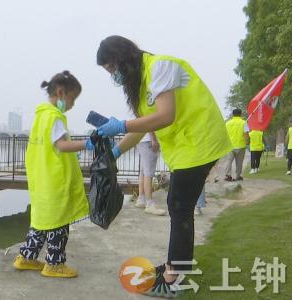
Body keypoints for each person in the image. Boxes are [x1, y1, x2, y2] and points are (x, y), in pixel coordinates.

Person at [96, 36, 232, 297]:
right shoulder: (141, 83)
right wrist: (114, 151)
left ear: (123, 58)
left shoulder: (159, 67)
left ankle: (173, 279)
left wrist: (122, 125)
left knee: (179, 206)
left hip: (200, 140)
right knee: (179, 205)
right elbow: (142, 128)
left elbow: (166, 115)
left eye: (113, 68)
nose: (113, 76)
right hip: (186, 147)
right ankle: (175, 266)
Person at [13, 71, 93, 278]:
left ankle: (27, 257)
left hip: (40, 178)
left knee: (40, 221)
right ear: (61, 92)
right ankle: (54, 264)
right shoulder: (55, 117)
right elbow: (62, 145)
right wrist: (87, 144)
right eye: (72, 99)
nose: (72, 105)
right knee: (58, 222)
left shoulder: (40, 116)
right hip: (55, 180)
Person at [135, 132, 166, 215]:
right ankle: (149, 204)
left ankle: (141, 199)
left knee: (143, 171)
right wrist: (154, 139)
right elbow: (150, 124)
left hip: (140, 138)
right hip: (148, 140)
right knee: (148, 173)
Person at [224, 109, 250, 181]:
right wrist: (247, 142)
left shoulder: (228, 123)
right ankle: (237, 176)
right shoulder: (243, 123)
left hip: (230, 146)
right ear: (240, 114)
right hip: (240, 146)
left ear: (233, 114)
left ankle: (228, 175)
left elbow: (225, 134)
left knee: (229, 161)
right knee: (239, 162)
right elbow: (246, 134)